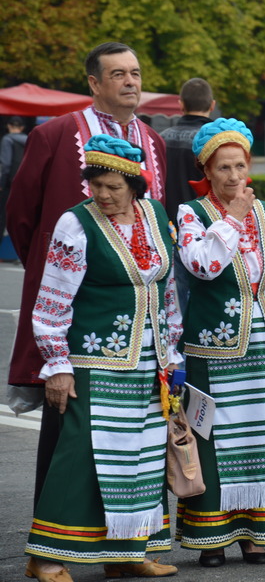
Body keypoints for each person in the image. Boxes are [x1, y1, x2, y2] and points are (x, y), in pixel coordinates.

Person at [5, 41, 167, 509]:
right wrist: (47, 266)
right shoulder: (55, 135)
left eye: (135, 73)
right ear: (94, 83)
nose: (130, 82)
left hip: (138, 312)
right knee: (71, 422)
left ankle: (128, 541)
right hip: (74, 310)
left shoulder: (152, 141)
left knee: (138, 430)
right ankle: (56, 530)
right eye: (118, 74)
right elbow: (21, 215)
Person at [23, 135, 180, 582]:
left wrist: (169, 352)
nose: (103, 195)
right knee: (83, 455)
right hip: (95, 361)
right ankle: (46, 556)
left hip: (149, 361)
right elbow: (52, 301)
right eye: (96, 185)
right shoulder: (75, 225)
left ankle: (129, 550)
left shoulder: (154, 216)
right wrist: (57, 365)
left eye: (113, 186)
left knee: (142, 456)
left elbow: (166, 290)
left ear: (136, 184)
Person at [172, 118, 265, 567]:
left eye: (241, 165)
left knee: (261, 440)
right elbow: (202, 266)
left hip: (264, 351)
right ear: (207, 169)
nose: (235, 177)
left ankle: (256, 534)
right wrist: (233, 220)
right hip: (213, 350)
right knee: (214, 439)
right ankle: (211, 537)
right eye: (224, 168)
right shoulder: (191, 213)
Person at [160, 77, 215, 312]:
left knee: (175, 304)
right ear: (212, 105)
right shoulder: (218, 141)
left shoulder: (159, 139)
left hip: (167, 229)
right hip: (210, 230)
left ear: (180, 104)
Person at [0, 116, 27, 246]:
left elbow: (6, 164)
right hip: (24, 185)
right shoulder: (29, 140)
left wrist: (1, 183)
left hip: (9, 184)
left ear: (9, 126)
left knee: (2, 217)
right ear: (22, 128)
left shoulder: (7, 139)